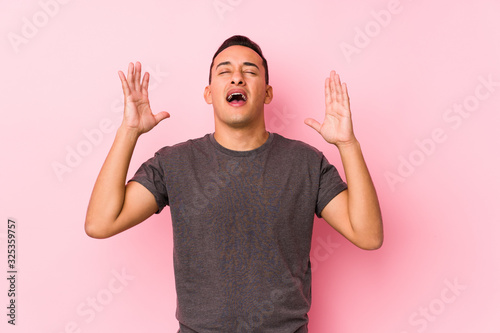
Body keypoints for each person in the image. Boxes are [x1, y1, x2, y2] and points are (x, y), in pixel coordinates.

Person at [85, 35, 383, 332]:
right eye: (224, 71)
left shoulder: (306, 162)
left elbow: (368, 235)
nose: (237, 78)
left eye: (250, 71)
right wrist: (129, 131)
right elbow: (101, 223)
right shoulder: (174, 163)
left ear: (267, 93)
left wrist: (348, 144)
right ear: (208, 93)